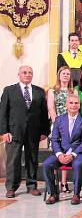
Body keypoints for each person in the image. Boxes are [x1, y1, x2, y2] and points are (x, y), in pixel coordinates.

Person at [0, 66, 49, 198]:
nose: (27, 75)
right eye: (24, 72)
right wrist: (4, 131)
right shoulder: (9, 90)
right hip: (14, 131)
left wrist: (45, 131)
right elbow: (2, 113)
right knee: (13, 160)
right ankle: (11, 187)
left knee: (32, 159)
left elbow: (44, 113)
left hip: (33, 132)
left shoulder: (39, 91)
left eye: (30, 73)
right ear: (19, 74)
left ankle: (32, 185)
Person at [43, 94, 82, 205]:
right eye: (71, 103)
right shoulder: (59, 120)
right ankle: (53, 194)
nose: (73, 105)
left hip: (78, 153)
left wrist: (73, 154)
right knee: (46, 164)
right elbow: (54, 139)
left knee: (78, 164)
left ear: (79, 105)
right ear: (66, 105)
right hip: (62, 153)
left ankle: (76, 194)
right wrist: (59, 154)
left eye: (76, 103)